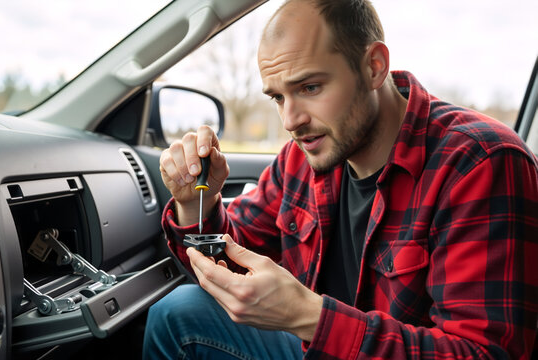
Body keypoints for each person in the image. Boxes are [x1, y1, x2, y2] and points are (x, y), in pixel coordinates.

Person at [143, 0, 538, 358]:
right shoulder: (303, 158)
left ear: (373, 67)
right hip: (316, 345)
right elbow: (228, 258)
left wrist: (310, 318)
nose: (290, 121)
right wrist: (199, 202)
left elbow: (484, 353)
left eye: (310, 87)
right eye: (278, 97)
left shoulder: (479, 163)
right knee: (178, 313)